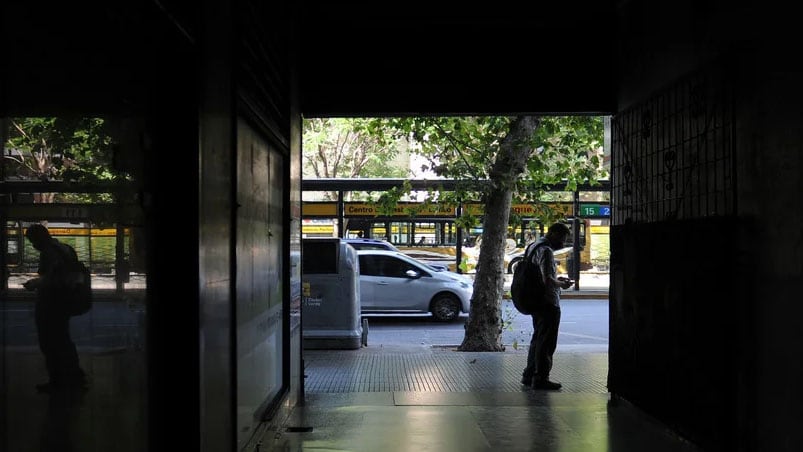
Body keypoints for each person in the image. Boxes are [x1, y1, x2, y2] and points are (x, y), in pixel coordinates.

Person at [23, 223, 87, 393]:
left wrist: (34, 284)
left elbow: (50, 279)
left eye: (32, 240)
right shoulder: (64, 248)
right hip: (65, 302)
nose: (33, 244)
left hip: (51, 304)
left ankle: (57, 381)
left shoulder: (48, 253)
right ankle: (75, 376)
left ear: (39, 237)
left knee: (50, 343)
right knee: (63, 340)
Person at [521, 222, 574, 390]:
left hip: (535, 300)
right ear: (553, 234)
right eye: (562, 239)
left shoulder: (533, 246)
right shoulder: (546, 251)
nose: (563, 243)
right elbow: (548, 280)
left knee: (537, 339)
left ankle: (529, 375)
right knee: (547, 342)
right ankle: (541, 378)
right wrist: (562, 284)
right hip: (547, 302)